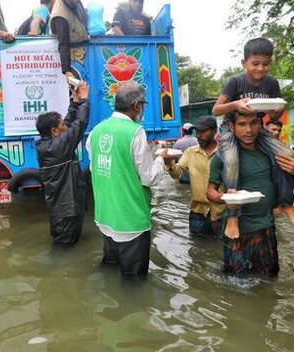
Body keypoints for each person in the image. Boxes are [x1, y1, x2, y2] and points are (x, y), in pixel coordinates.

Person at [212, 37, 294, 237]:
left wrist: (277, 110)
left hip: (258, 126)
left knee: (286, 155)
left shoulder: (271, 83)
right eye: (255, 64)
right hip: (231, 128)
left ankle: (286, 204)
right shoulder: (235, 82)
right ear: (244, 62)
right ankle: (233, 216)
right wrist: (236, 104)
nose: (260, 69)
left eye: (265, 64)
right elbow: (216, 109)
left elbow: (273, 116)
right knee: (231, 159)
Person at [206, 111, 294, 275]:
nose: (249, 130)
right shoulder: (223, 156)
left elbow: (288, 186)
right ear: (232, 126)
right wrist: (224, 198)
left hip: (266, 227)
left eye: (253, 123)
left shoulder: (272, 154)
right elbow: (210, 191)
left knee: (270, 277)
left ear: (261, 124)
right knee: (235, 282)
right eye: (242, 124)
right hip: (237, 232)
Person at [86, 81, 166, 280]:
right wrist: (161, 158)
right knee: (134, 282)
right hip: (131, 222)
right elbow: (150, 177)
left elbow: (95, 167)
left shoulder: (97, 131)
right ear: (137, 106)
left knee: (110, 270)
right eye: (144, 105)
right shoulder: (135, 132)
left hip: (105, 217)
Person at [35, 81, 90, 244]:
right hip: (67, 213)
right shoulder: (59, 146)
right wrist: (85, 99)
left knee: (64, 246)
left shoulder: (47, 145)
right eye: (61, 126)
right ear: (54, 131)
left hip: (61, 211)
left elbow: (68, 123)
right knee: (64, 249)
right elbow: (80, 123)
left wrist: (75, 101)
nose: (64, 127)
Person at [163, 116, 225, 236]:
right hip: (198, 213)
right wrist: (169, 162)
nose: (199, 135)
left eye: (203, 131)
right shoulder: (190, 152)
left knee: (222, 247)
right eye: (198, 132)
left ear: (214, 131)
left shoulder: (225, 152)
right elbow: (177, 173)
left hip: (221, 213)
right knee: (196, 248)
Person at [50, 0, 89, 81]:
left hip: (84, 53)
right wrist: (67, 71)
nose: (75, 0)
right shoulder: (60, 16)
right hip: (72, 61)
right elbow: (63, 44)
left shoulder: (74, 0)